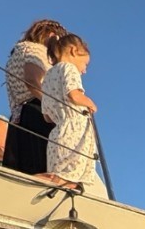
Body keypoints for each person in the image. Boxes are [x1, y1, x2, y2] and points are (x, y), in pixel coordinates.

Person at [41, 33, 107, 197]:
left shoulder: (48, 76)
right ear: (73, 51)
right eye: (85, 64)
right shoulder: (68, 69)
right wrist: (90, 104)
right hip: (73, 134)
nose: (84, 70)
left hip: (57, 133)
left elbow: (47, 117)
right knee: (69, 179)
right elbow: (74, 95)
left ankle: (29, 183)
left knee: (57, 178)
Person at [2, 20, 67, 176]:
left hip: (19, 116)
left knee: (22, 171)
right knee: (43, 168)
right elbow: (32, 81)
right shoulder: (36, 50)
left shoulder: (19, 51)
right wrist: (57, 110)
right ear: (52, 35)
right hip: (38, 112)